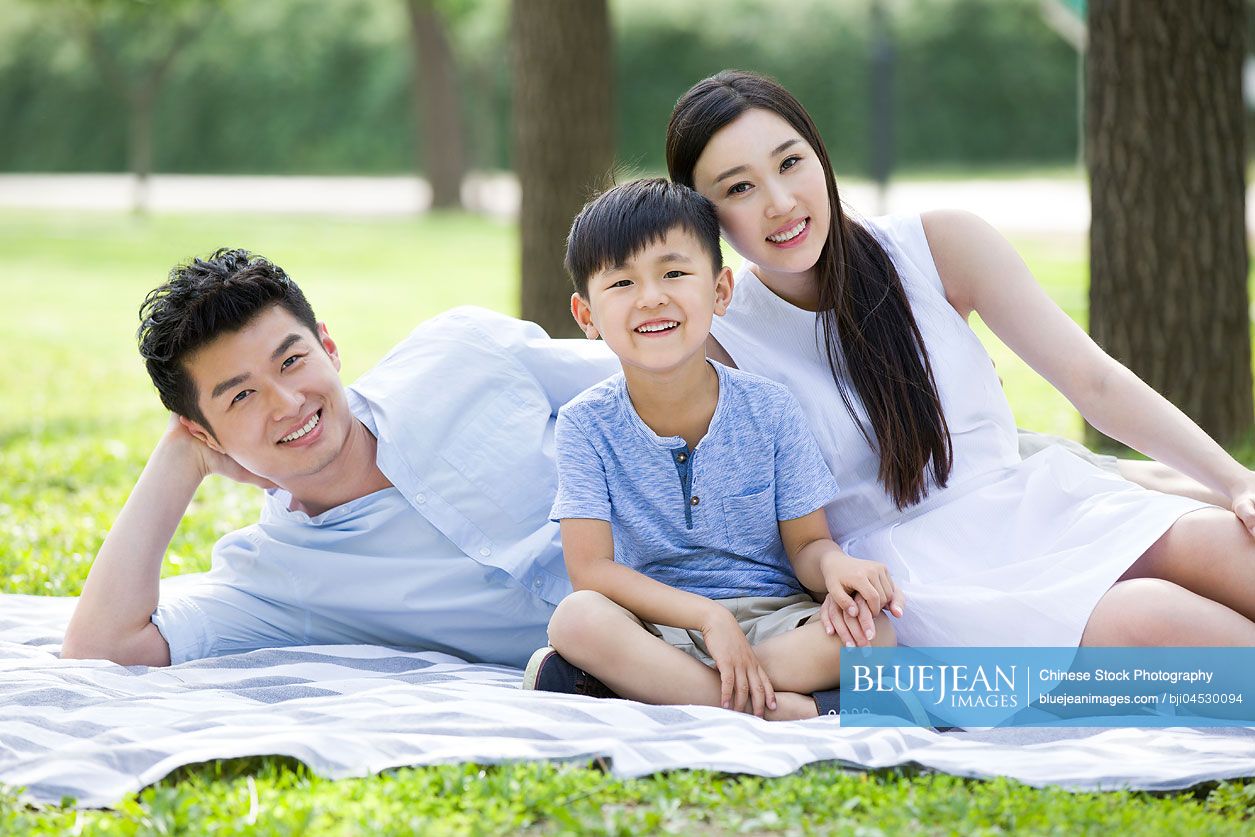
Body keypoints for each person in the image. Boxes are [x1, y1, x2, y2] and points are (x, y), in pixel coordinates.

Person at [663, 70, 1255, 648]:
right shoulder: (719, 344)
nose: (780, 202)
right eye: (739, 187)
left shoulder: (939, 245)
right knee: (1157, 617)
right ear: (701, 215)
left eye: (790, 162)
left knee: (1229, 548)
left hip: (1037, 506)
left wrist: (1235, 482)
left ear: (820, 156)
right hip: (924, 581)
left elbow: (1093, 382)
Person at [61, 248, 620, 668]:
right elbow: (100, 650)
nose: (287, 403)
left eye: (292, 361)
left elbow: (671, 387)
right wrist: (179, 460)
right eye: (241, 396)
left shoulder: (462, 352)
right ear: (205, 433)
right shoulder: (277, 576)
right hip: (649, 651)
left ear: (327, 346)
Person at [522, 179, 902, 720]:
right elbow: (592, 570)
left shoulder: (770, 410)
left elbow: (808, 545)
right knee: (577, 619)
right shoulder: (586, 423)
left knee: (875, 635)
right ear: (587, 317)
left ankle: (656, 690)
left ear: (720, 291)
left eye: (674, 273)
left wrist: (838, 567)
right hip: (653, 626)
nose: (652, 297)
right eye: (623, 282)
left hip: (773, 624)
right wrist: (707, 618)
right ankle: (780, 712)